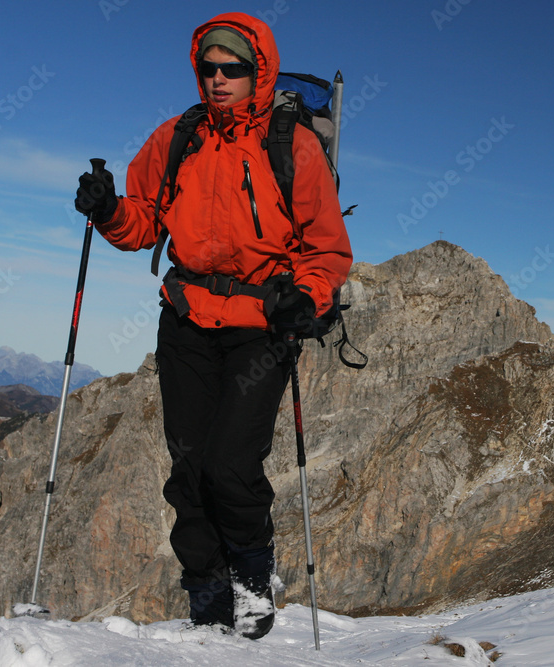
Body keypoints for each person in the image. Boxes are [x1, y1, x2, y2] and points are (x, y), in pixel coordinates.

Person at [73, 12, 352, 639]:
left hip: (262, 325)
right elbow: (143, 222)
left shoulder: (293, 146)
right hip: (188, 320)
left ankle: (253, 580)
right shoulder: (178, 137)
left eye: (235, 68)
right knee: (190, 467)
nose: (220, 78)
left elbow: (327, 252)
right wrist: (110, 208)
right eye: (210, 67)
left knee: (230, 464)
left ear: (260, 71)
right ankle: (206, 591)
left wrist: (304, 300)